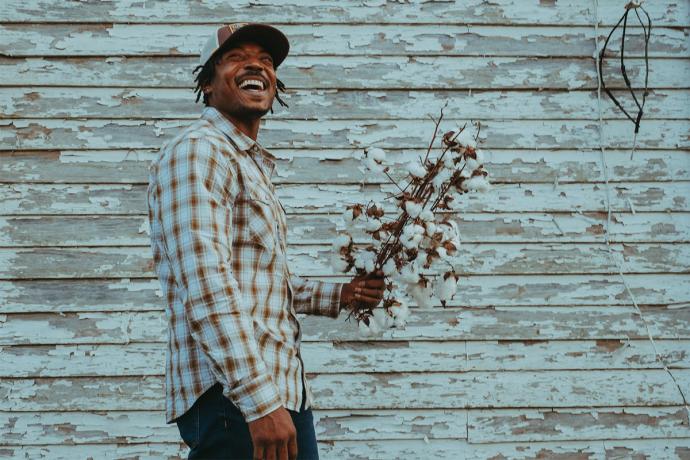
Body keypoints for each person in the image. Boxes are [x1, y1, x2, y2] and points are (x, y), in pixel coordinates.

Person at [146, 23, 385, 460]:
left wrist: (344, 294)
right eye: (236, 57)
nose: (256, 64)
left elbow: (259, 282)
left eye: (267, 60)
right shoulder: (200, 151)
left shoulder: (246, 163)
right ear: (207, 83)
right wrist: (259, 402)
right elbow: (206, 284)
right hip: (236, 398)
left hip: (276, 391)